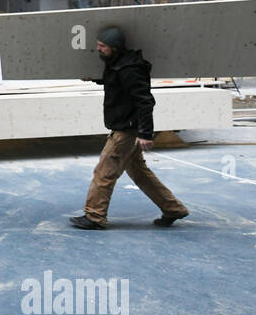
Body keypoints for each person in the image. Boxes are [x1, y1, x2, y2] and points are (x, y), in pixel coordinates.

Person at [70, 26, 189, 230]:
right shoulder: (118, 63)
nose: (98, 49)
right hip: (126, 126)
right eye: (98, 45)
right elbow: (117, 82)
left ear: (114, 48)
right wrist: (96, 79)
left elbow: (145, 102)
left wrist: (145, 133)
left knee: (104, 171)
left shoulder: (129, 70)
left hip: (127, 130)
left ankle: (95, 216)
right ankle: (173, 209)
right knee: (140, 173)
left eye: (102, 46)